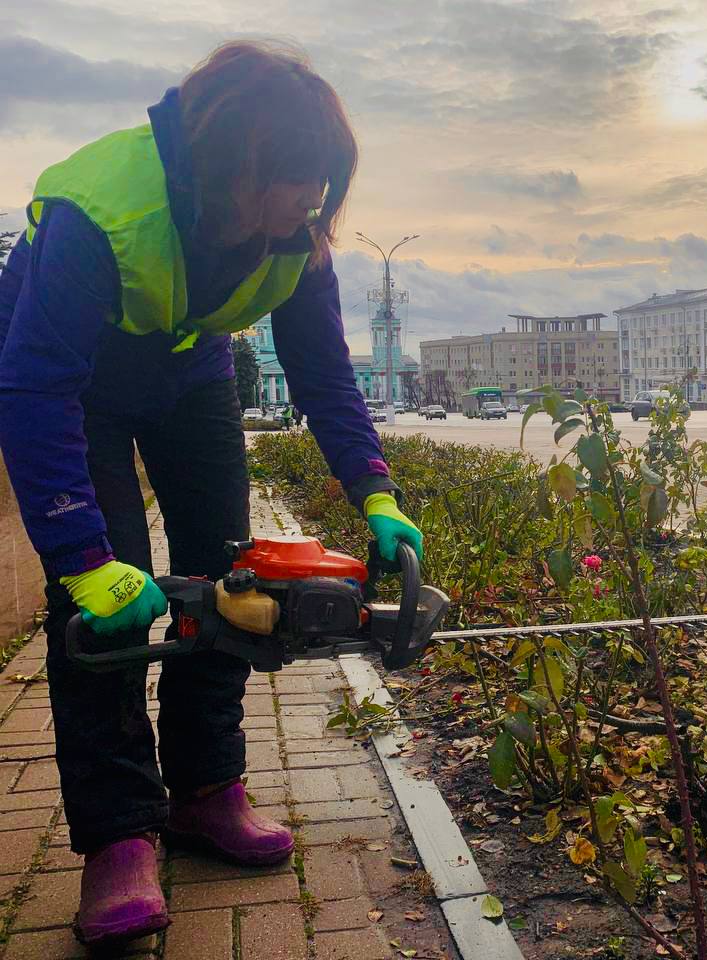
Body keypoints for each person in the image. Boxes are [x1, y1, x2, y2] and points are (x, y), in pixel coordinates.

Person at [0, 41, 423, 947]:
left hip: (191, 372)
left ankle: (205, 790)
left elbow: (322, 373)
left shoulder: (296, 236)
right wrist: (82, 558)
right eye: (297, 180)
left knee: (233, 579)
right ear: (234, 164)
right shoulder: (99, 213)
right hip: (74, 382)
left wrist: (374, 491)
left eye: (323, 183)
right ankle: (118, 835)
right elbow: (32, 390)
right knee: (103, 615)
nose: (313, 204)